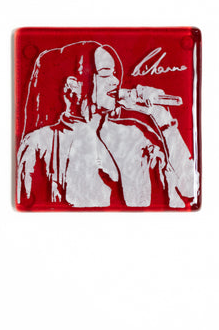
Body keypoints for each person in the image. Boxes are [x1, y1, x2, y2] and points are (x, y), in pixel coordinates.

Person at [17, 41, 195, 208]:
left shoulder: (136, 134)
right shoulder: (39, 142)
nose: (116, 81)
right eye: (105, 73)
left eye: (115, 73)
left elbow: (188, 190)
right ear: (73, 85)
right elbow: (27, 204)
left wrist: (162, 117)